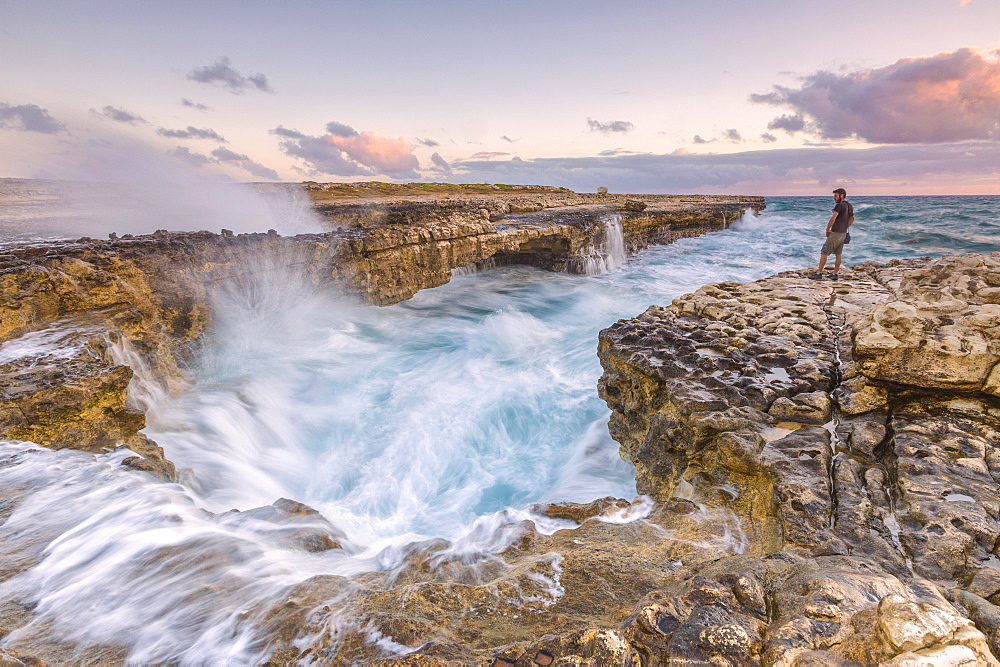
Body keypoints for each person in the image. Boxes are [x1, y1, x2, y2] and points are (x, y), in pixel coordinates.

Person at [809, 188, 854, 280]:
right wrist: (845, 226)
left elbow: (833, 218)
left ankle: (819, 273)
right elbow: (852, 218)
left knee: (824, 252)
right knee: (838, 253)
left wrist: (827, 229)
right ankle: (835, 274)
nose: (834, 198)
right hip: (843, 234)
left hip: (835, 233)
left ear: (842, 195)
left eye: (836, 196)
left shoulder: (839, 205)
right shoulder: (849, 206)